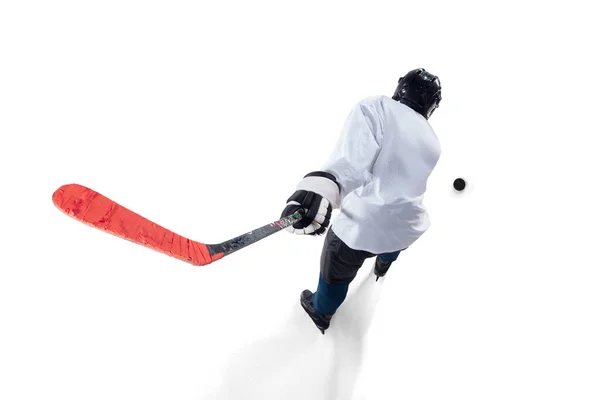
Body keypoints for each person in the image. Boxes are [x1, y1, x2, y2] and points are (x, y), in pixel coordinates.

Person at [281, 68, 442, 334]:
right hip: (405, 228)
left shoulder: (378, 107)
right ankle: (383, 265)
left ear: (402, 87)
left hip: (360, 227)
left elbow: (352, 160)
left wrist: (324, 184)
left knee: (335, 274)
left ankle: (321, 311)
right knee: (389, 246)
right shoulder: (433, 141)